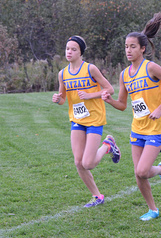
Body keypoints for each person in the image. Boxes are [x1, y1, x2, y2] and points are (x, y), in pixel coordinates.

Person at [102, 13, 161, 221]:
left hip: (156, 127)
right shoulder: (124, 75)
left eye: (133, 47)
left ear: (142, 49)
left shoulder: (151, 68)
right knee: (138, 174)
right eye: (126, 47)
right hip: (137, 128)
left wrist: (160, 109)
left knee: (144, 170)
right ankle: (153, 210)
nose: (128, 50)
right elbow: (122, 105)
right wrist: (109, 101)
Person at [52, 36, 121, 208]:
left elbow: (110, 89)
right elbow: (63, 99)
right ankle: (97, 196)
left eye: (73, 49)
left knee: (88, 163)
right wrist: (57, 99)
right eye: (67, 48)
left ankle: (108, 145)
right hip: (77, 119)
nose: (69, 52)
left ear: (80, 52)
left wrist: (90, 95)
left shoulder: (90, 69)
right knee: (78, 162)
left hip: (94, 119)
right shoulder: (63, 74)